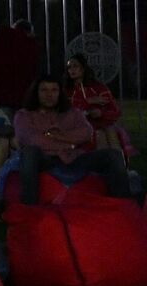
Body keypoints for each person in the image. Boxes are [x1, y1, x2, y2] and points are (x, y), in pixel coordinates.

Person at [13, 74, 133, 205]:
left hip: (74, 157)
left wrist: (54, 136)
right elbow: (31, 139)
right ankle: (30, 206)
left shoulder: (72, 113)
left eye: (54, 90)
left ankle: (123, 204)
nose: (49, 94)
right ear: (36, 92)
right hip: (45, 159)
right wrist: (69, 143)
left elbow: (86, 133)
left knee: (113, 154)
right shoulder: (24, 115)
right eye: (44, 90)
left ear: (60, 93)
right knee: (30, 152)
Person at [65, 54, 128, 153]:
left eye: (75, 66)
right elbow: (67, 110)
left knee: (110, 131)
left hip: (101, 123)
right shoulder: (67, 90)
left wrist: (101, 112)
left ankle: (119, 165)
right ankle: (103, 165)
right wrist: (88, 101)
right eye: (69, 67)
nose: (72, 70)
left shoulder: (98, 88)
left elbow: (115, 110)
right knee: (99, 135)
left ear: (83, 68)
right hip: (78, 125)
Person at [0, 19, 42, 110]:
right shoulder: (31, 46)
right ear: (28, 32)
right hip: (23, 97)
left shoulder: (1, 41)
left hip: (1, 95)